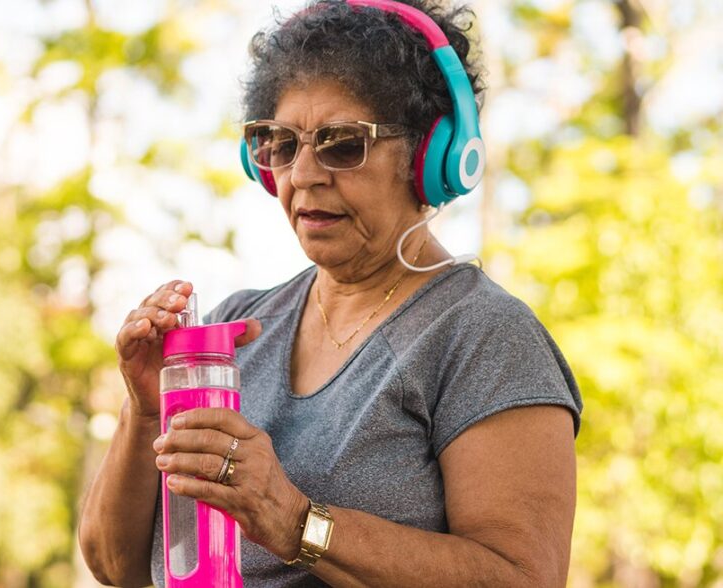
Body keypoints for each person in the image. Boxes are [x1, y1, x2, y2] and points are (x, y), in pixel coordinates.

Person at [78, 0, 583, 586]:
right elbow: (116, 565)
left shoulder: (484, 335)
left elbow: (523, 577)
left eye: (344, 143)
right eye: (280, 143)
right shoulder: (235, 325)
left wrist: (295, 522)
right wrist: (145, 410)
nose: (304, 174)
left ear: (430, 156)